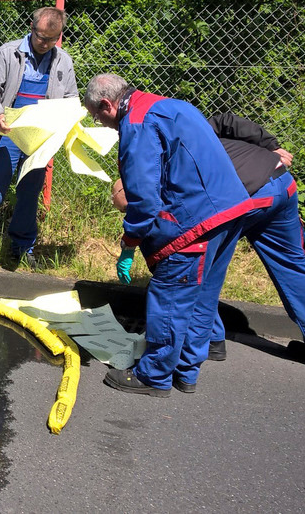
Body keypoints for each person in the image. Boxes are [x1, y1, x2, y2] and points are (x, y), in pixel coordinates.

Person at [109, 113, 305, 379]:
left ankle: (211, 340)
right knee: (293, 263)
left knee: (202, 267)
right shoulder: (185, 126)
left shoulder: (160, 165)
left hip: (240, 199)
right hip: (279, 182)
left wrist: (133, 244)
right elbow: (226, 120)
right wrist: (271, 146)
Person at [84, 74, 256, 397]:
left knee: (169, 291)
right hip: (229, 208)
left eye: (97, 115)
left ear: (107, 104)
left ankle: (154, 374)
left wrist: (129, 242)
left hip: (196, 217)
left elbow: (145, 200)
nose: (100, 122)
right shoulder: (166, 105)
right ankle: (187, 370)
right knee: (202, 294)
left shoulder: (136, 125)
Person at [0, 6, 78, 270]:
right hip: (8, 133)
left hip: (39, 139)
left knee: (29, 193)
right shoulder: (8, 53)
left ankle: (22, 245)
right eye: (41, 37)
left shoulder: (63, 61)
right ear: (31, 27)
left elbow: (71, 97)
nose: (45, 44)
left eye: (52, 39)